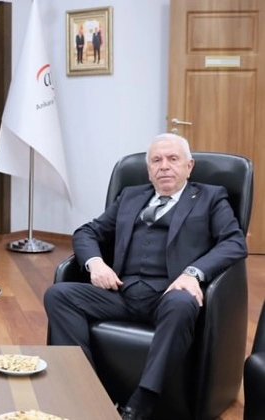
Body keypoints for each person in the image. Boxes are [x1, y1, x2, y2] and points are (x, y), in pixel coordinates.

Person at [43, 133, 247, 420]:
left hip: (169, 295)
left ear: (189, 166)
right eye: (156, 160)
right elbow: (87, 232)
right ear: (148, 169)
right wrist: (95, 264)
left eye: (173, 159)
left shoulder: (210, 197)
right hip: (121, 292)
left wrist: (193, 273)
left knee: (182, 302)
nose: (164, 166)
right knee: (59, 295)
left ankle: (142, 401)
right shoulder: (130, 196)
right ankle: (83, 388)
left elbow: (234, 242)